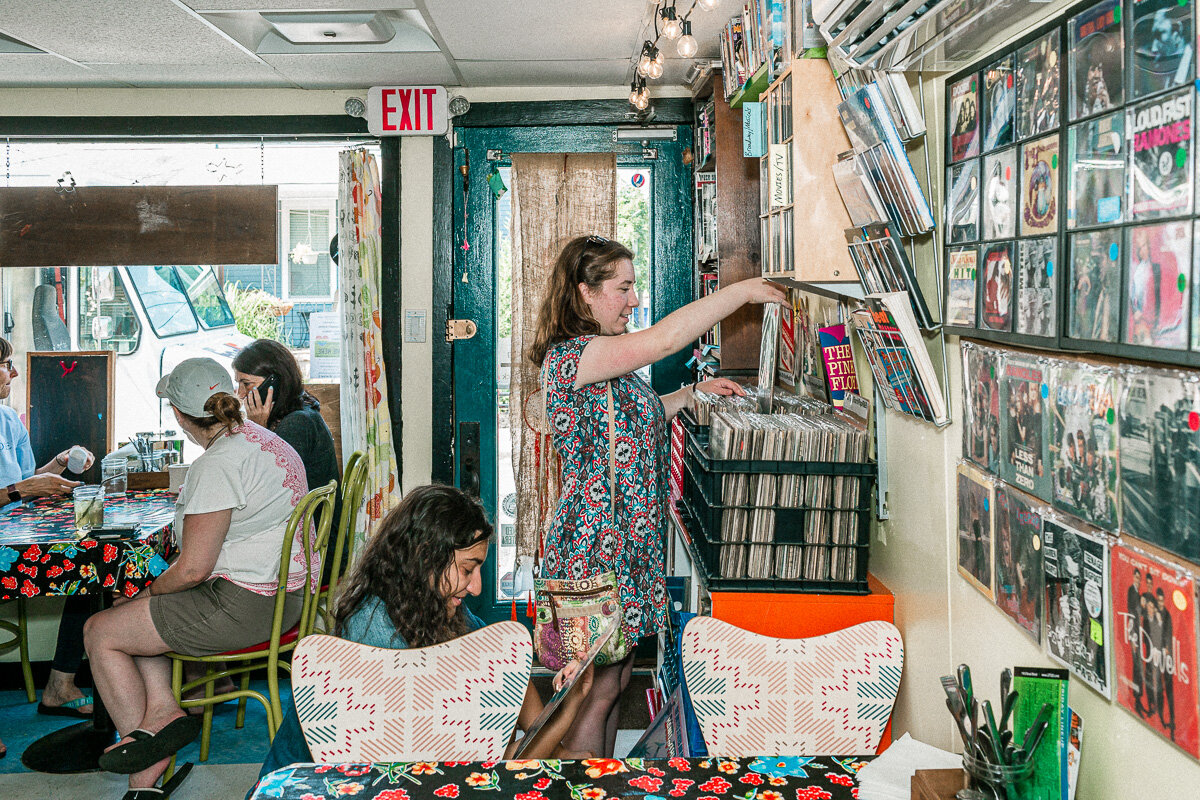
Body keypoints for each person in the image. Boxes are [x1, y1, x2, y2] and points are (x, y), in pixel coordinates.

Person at [528, 234, 785, 756]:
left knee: (615, 683)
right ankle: (581, 792)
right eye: (623, 288)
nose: (633, 299)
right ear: (585, 294)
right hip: (592, 553)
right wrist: (743, 293)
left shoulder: (603, 361)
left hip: (625, 550)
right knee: (588, 692)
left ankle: (599, 785)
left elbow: (629, 426)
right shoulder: (574, 356)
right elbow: (665, 340)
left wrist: (690, 394)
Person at [254, 484, 592, 790]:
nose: (476, 587)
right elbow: (490, 768)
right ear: (426, 557)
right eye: (467, 569)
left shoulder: (440, 607)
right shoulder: (376, 635)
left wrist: (568, 707)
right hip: (312, 785)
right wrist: (560, 728)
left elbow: (507, 679)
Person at [83, 357, 313, 799]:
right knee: (136, 613)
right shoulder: (264, 439)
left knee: (100, 631)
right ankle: (163, 712)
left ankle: (144, 769)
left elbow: (193, 569)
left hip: (246, 605)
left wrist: (149, 591)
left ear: (179, 415)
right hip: (285, 596)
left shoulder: (219, 464)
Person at [0, 337, 99, 726]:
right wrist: (23, 490)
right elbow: (19, 489)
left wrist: (58, 464)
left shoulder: (8, 420)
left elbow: (24, 481)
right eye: (7, 364)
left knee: (93, 566)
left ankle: (60, 685)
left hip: (15, 541)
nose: (14, 372)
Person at [231, 339, 338, 496]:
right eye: (238, 384)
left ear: (274, 382)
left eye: (246, 384)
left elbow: (267, 486)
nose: (240, 394)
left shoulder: (297, 424)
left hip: (309, 519)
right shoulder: (297, 410)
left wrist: (258, 430)